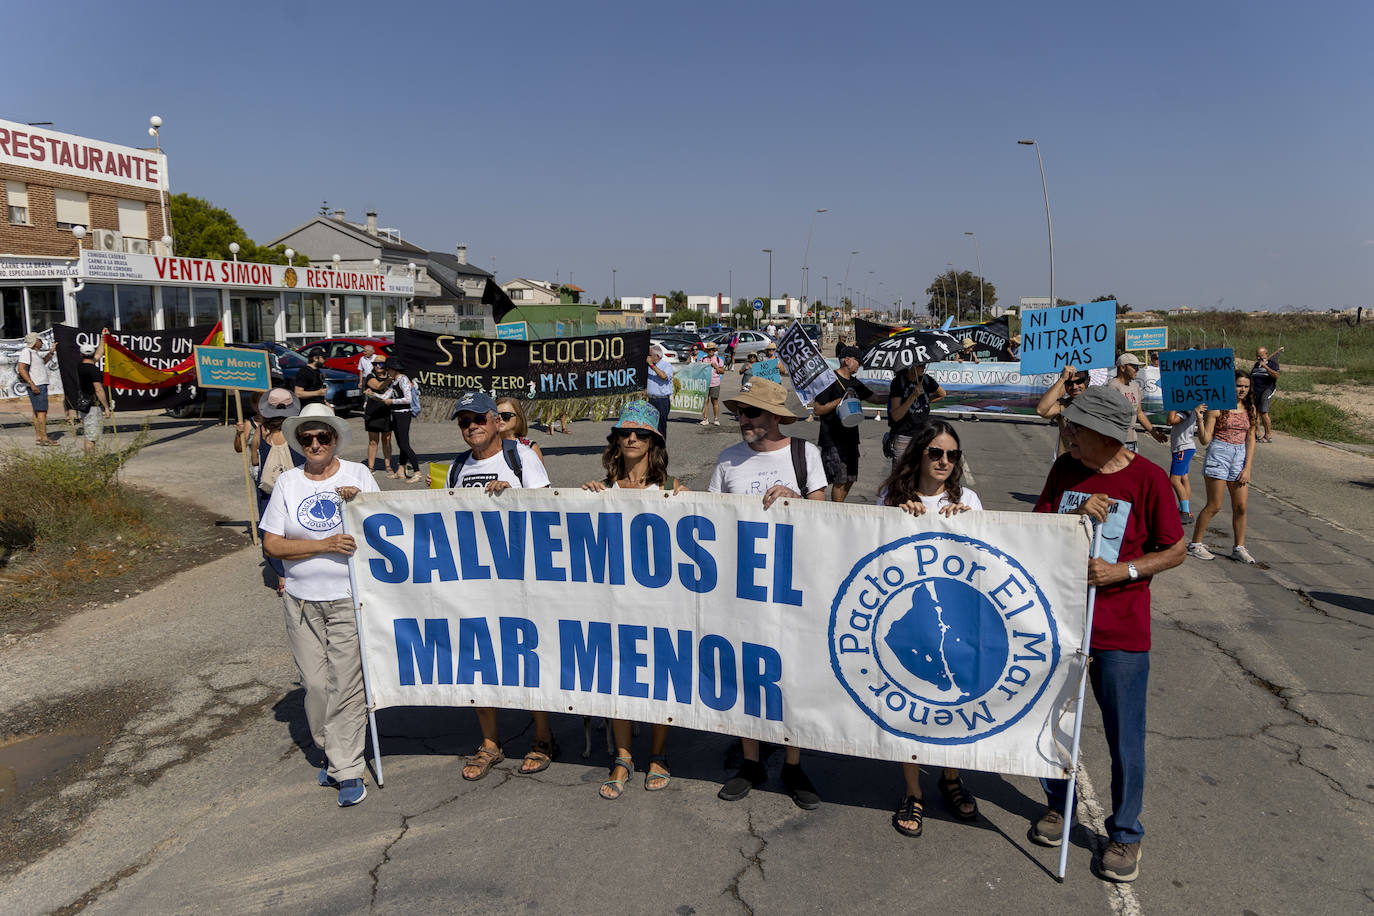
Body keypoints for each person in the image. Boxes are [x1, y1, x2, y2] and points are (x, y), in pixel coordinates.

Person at [1030, 385, 1186, 882]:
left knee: (1125, 740)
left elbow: (1175, 550)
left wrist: (1125, 572)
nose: (1067, 432)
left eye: (1076, 427)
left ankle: (1124, 834)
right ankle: (1059, 805)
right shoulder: (1064, 470)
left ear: (1105, 434)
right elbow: (1035, 529)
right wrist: (1072, 515)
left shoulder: (1149, 479)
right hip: (1062, 625)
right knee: (1052, 726)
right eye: (1069, 425)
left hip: (1121, 633)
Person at [708, 377, 826, 809]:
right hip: (741, 588)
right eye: (740, 412)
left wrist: (796, 498)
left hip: (792, 586)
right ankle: (752, 761)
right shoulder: (727, 460)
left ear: (776, 417)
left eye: (752, 412)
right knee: (746, 671)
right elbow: (708, 521)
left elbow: (827, 517)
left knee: (792, 674)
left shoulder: (803, 454)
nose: (743, 420)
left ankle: (794, 764)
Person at [260, 403, 379, 807]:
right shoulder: (288, 483)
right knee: (314, 684)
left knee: (346, 683)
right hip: (299, 600)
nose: (314, 443)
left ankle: (347, 768)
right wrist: (322, 545)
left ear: (334, 439)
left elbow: (384, 527)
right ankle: (334, 749)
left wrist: (358, 502)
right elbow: (272, 544)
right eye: (307, 438)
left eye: (322, 437)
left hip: (349, 598)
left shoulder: (358, 475)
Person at [442, 392, 559, 781]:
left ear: (495, 421)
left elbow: (546, 506)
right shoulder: (458, 465)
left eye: (478, 418)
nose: (471, 426)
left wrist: (513, 497)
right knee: (480, 656)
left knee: (528, 653)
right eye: (464, 421)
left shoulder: (519, 456)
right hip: (475, 579)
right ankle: (490, 742)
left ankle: (542, 737)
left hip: (519, 576)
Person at [875, 420, 983, 836]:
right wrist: (896, 517)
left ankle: (951, 776)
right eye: (936, 452)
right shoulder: (892, 496)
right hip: (910, 619)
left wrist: (967, 521)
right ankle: (913, 790)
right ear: (919, 454)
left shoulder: (967, 498)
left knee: (956, 704)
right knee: (912, 705)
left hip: (953, 619)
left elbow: (985, 556)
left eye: (952, 455)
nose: (944, 461)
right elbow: (872, 552)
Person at [581, 400, 685, 798]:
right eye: (624, 433)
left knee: (660, 680)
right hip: (614, 603)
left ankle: (658, 754)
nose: (631, 438)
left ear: (653, 442)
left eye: (640, 434)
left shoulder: (673, 489)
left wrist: (690, 506)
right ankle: (623, 757)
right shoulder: (601, 491)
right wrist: (587, 499)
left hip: (660, 605)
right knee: (617, 679)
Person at [1187, 371, 1258, 564]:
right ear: (1230, 386)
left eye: (1245, 386)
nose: (1242, 390)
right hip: (1219, 454)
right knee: (1215, 505)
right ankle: (1195, 544)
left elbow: (1251, 439)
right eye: (1238, 385)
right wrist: (1200, 419)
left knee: (1241, 506)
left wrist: (1248, 467)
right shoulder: (1217, 407)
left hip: (1240, 457)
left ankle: (1239, 547)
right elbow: (1204, 440)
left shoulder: (1250, 408)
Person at [811, 345, 880, 502]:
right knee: (839, 480)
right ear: (847, 360)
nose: (860, 365)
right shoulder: (829, 380)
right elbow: (818, 410)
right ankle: (836, 513)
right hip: (833, 439)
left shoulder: (854, 383)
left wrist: (897, 397)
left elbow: (874, 398)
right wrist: (839, 401)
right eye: (858, 361)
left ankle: (838, 508)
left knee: (850, 478)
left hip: (851, 438)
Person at [887, 362, 947, 471]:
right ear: (911, 366)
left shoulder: (926, 380)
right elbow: (896, 416)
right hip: (903, 436)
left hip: (923, 435)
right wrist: (913, 396)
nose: (924, 367)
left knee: (920, 476)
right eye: (920, 365)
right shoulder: (899, 382)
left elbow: (942, 394)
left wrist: (926, 400)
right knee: (900, 477)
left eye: (925, 364)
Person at [375, 360, 422, 482]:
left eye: (388, 369)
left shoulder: (403, 379)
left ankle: (417, 472)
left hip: (403, 414)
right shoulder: (394, 381)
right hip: (395, 414)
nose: (387, 372)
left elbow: (408, 399)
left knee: (405, 444)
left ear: (394, 369)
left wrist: (392, 402)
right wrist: (373, 395)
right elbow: (385, 396)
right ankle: (401, 470)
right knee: (401, 444)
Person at [1108, 354, 1167, 453]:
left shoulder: (1135, 385)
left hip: (1132, 441)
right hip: (1117, 442)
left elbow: (1139, 413)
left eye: (1138, 366)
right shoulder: (1112, 387)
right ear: (1122, 368)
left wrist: (1154, 433)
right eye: (1134, 366)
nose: (1137, 369)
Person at [1036, 365, 1092, 461]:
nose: (1074, 387)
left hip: (1093, 463)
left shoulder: (1098, 404)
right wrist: (1062, 379)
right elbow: (1041, 410)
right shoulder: (1063, 406)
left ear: (1088, 380)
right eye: (1069, 383)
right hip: (1067, 463)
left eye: (1079, 382)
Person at [1166, 403, 1207, 524]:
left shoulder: (1186, 409)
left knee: (1174, 479)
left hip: (1183, 448)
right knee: (1184, 479)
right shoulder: (1189, 407)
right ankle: (1184, 509)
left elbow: (1171, 421)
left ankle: (1185, 512)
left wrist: (1172, 405)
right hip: (1184, 447)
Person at [16, 332, 57, 446]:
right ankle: (44, 438)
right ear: (35, 341)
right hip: (37, 385)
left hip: (38, 384)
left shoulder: (34, 353)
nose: (42, 342)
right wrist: (31, 383)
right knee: (42, 412)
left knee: (37, 411)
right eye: (40, 340)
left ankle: (39, 436)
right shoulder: (27, 352)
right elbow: (21, 368)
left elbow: (41, 363)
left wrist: (51, 352)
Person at [76, 342, 112, 454]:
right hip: (93, 406)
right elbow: (98, 389)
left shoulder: (80, 366)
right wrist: (106, 407)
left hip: (84, 404)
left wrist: (102, 338)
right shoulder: (94, 370)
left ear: (81, 355)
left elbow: (98, 354)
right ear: (92, 355)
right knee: (91, 437)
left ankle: (89, 460)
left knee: (89, 434)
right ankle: (90, 464)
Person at [361, 365, 394, 474]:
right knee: (373, 441)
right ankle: (371, 466)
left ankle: (388, 466)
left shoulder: (391, 377)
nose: (378, 366)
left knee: (387, 439)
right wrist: (390, 379)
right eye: (375, 363)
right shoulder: (371, 376)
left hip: (386, 411)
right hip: (373, 412)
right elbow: (379, 386)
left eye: (381, 363)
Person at [496, 396, 545, 463]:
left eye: (506, 415)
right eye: (495, 415)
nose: (499, 419)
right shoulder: (485, 445)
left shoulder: (530, 447)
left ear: (518, 417)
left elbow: (539, 472)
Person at [1250, 346, 1283, 443]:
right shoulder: (1256, 365)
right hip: (1255, 390)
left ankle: (1268, 435)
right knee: (1253, 411)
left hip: (1267, 389)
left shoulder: (1273, 364)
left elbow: (1276, 376)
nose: (1259, 358)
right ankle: (1257, 432)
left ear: (1266, 354)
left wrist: (1265, 367)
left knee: (1263, 411)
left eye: (1261, 356)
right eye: (1257, 356)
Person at [645, 343, 674, 439]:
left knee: (660, 426)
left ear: (657, 356)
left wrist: (652, 365)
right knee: (650, 426)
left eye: (650, 355)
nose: (648, 357)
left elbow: (664, 376)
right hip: (650, 400)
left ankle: (661, 449)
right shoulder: (647, 367)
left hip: (662, 401)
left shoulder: (666, 365)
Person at [698, 342, 725, 426]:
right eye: (709, 349)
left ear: (714, 350)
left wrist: (716, 367)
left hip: (715, 383)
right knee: (705, 402)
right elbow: (698, 370)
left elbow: (722, 371)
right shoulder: (703, 359)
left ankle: (716, 419)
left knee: (715, 401)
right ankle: (705, 419)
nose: (711, 351)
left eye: (712, 349)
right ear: (707, 351)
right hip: (705, 383)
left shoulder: (718, 359)